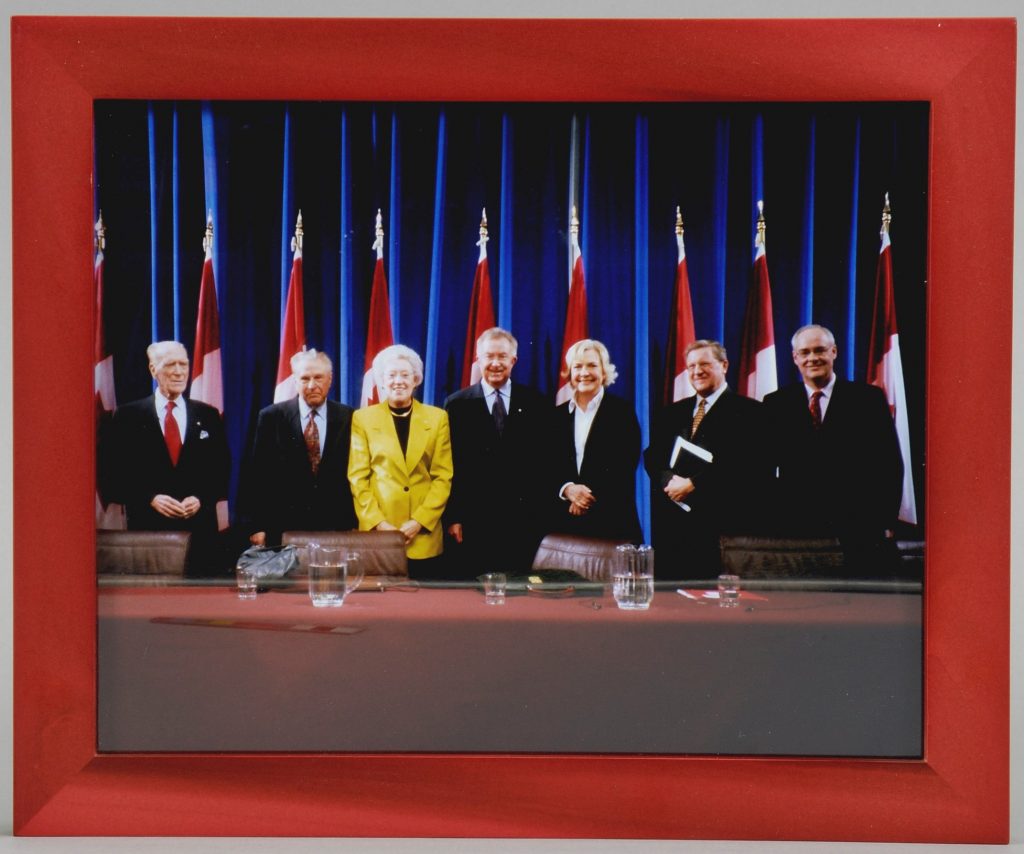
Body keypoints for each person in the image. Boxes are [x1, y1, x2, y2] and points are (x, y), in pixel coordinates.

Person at [763, 324, 904, 576]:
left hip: (857, 524)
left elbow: (889, 465)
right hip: (797, 524)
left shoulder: (867, 399)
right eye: (804, 352)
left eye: (820, 350)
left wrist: (885, 520)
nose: (812, 358)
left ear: (834, 352)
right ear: (795, 358)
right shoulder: (776, 403)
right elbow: (763, 466)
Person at [644, 339, 770, 579]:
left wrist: (695, 484)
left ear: (724, 365)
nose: (697, 371)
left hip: (719, 528)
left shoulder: (751, 412)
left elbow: (752, 465)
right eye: (691, 366)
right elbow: (653, 456)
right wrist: (669, 481)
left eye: (704, 364)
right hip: (673, 527)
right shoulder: (671, 412)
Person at [106, 341, 230, 574]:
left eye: (183, 364)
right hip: (149, 536)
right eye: (170, 364)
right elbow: (112, 477)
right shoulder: (127, 417)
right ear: (153, 370)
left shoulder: (208, 414)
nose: (179, 371)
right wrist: (150, 498)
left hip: (200, 536)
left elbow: (222, 471)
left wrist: (200, 497)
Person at [443, 328, 550, 577]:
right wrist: (454, 516)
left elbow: (545, 463)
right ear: (478, 360)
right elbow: (451, 465)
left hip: (524, 519)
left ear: (513, 360)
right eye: (488, 356)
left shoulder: (536, 402)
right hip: (475, 520)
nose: (495, 363)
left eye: (502, 356)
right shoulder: (456, 404)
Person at [348, 345, 453, 580]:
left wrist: (420, 521)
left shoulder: (438, 418)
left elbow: (443, 477)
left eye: (405, 375)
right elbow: (358, 478)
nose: (398, 381)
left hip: (423, 534)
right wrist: (378, 523)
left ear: (416, 379)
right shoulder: (362, 419)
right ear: (382, 381)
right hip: (379, 533)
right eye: (391, 375)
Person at [246, 349, 357, 546]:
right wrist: (258, 526)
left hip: (336, 525)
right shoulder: (271, 417)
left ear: (330, 379)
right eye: (305, 378)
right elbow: (258, 475)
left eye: (318, 377)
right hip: (283, 526)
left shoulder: (349, 416)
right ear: (295, 381)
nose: (312, 385)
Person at [549, 339, 642, 543]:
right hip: (565, 522)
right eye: (578, 366)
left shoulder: (622, 412)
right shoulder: (555, 416)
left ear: (604, 371)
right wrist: (568, 489)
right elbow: (547, 465)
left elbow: (624, 465)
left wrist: (584, 498)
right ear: (569, 373)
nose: (584, 373)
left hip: (611, 520)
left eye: (592, 365)